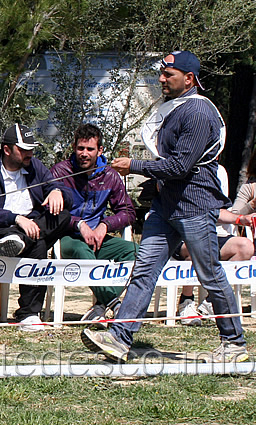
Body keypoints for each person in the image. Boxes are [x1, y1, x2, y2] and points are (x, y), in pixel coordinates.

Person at [83, 50, 248, 363]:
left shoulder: (199, 113)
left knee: (210, 274)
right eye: (161, 73)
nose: (161, 79)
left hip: (195, 205)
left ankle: (234, 344)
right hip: (165, 207)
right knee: (144, 272)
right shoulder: (175, 109)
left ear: (189, 79)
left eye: (168, 75)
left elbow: (180, 166)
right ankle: (119, 337)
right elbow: (168, 163)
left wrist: (134, 166)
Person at [0, 124, 72, 331]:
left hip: (27, 231)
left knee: (63, 216)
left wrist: (57, 191)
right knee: (39, 245)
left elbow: (66, 196)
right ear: (7, 150)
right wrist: (15, 219)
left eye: (32, 149)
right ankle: (29, 314)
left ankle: (21, 240)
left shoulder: (35, 167)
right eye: (24, 149)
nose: (29, 154)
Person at [51, 124, 138, 325]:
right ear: (74, 148)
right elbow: (49, 211)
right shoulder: (60, 172)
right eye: (80, 148)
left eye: (90, 149)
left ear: (99, 151)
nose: (84, 154)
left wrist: (106, 225)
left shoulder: (110, 176)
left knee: (137, 252)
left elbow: (128, 211)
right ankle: (115, 304)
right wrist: (78, 224)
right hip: (67, 237)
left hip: (98, 238)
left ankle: (101, 306)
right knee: (83, 251)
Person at [176, 164, 254, 326]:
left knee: (245, 246)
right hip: (182, 234)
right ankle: (186, 300)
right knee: (199, 245)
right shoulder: (180, 168)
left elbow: (224, 211)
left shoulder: (220, 171)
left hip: (216, 234)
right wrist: (251, 205)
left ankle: (211, 301)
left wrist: (240, 219)